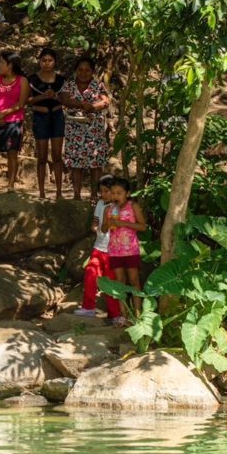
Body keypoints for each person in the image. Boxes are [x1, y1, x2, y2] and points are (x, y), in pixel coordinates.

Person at [60, 56, 112, 201]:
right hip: (74, 128)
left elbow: (106, 101)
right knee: (76, 162)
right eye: (80, 70)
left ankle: (94, 195)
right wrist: (82, 104)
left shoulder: (98, 85)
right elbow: (64, 99)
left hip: (94, 129)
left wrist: (93, 107)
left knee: (95, 162)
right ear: (76, 71)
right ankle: (77, 195)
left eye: (87, 70)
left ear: (92, 72)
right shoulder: (69, 85)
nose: (83, 73)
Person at [75, 176, 123, 322]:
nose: (103, 194)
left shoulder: (118, 207)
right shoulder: (100, 204)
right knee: (90, 273)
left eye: (106, 191)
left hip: (112, 250)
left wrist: (105, 224)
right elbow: (96, 222)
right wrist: (94, 227)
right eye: (101, 191)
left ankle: (115, 314)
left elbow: (114, 227)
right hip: (99, 247)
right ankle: (88, 307)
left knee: (111, 281)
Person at [102, 177, 147, 325]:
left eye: (119, 193)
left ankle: (138, 315)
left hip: (131, 250)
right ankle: (123, 316)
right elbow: (103, 229)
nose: (115, 196)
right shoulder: (108, 209)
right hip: (114, 251)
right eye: (113, 193)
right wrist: (108, 223)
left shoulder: (133, 206)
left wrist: (123, 223)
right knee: (120, 283)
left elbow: (143, 226)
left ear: (127, 193)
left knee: (134, 281)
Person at [0, 50, 29, 191]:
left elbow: (21, 103)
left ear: (10, 65)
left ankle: (10, 185)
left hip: (14, 122)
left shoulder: (22, 81)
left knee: (12, 153)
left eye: (1, 62)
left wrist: (3, 113)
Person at [29, 47, 67, 200]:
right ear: (39, 61)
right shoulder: (32, 79)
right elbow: (26, 101)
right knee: (42, 156)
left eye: (50, 60)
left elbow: (66, 100)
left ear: (55, 62)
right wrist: (43, 96)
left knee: (57, 156)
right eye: (44, 60)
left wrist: (56, 96)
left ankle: (59, 192)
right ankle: (42, 192)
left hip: (57, 116)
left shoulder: (61, 80)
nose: (47, 63)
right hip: (40, 117)